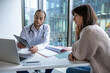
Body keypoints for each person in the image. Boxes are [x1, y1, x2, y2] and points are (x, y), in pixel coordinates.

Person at [66, 4, 110, 73]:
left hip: (104, 70)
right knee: (75, 67)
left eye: (76, 15)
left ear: (84, 16)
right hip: (103, 66)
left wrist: (77, 34)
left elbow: (80, 55)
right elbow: (81, 50)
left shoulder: (88, 30)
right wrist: (75, 53)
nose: (74, 19)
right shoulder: (94, 28)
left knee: (69, 70)